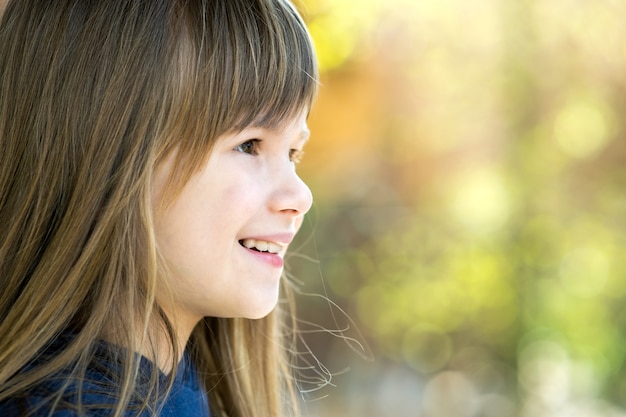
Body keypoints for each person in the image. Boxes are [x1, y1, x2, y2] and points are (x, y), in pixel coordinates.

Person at [0, 0, 319, 415]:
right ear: (104, 153)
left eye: (293, 153)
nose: (300, 196)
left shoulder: (178, 388)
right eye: (248, 144)